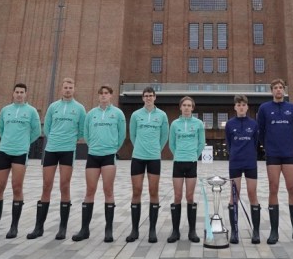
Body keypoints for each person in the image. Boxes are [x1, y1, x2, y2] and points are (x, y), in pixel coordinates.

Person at [27, 77, 84, 240]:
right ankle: (39, 227)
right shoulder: (53, 107)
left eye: (70, 87)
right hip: (51, 149)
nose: (67, 90)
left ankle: (62, 228)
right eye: (65, 87)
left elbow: (82, 130)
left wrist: (71, 139)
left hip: (68, 150)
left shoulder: (79, 108)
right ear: (61, 89)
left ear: (74, 90)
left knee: (64, 186)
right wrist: (54, 139)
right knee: (46, 186)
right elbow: (48, 127)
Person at [0, 83, 41, 239]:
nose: (19, 94)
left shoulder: (31, 111)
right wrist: (8, 140)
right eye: (17, 92)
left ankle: (14, 227)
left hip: (20, 152)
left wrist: (24, 141)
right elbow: (1, 129)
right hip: (4, 151)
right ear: (13, 93)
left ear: (26, 94)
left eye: (22, 92)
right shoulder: (5, 110)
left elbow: (37, 131)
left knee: (17, 187)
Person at [256, 78, 293, 245]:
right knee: (273, 189)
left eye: (281, 88)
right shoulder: (264, 108)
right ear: (271, 91)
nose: (278, 90)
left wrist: (289, 145)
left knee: (292, 189)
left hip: (288, 155)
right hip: (272, 155)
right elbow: (261, 131)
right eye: (275, 88)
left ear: (284, 91)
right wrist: (268, 146)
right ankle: (273, 231)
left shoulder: (292, 108)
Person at [72, 85, 125, 242]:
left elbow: (122, 134)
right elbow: (86, 133)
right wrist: (93, 145)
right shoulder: (91, 114)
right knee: (90, 191)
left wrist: (114, 148)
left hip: (109, 155)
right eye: (101, 93)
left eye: (106, 93)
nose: (103, 96)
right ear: (98, 96)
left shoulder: (118, 114)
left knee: (108, 191)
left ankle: (108, 230)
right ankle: (84, 229)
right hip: (93, 155)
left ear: (111, 96)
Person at [126, 86, 169, 243]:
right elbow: (132, 135)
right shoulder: (136, 115)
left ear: (155, 97)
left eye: (151, 95)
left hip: (154, 158)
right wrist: (140, 147)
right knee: (136, 191)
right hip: (138, 157)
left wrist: (156, 149)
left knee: (153, 191)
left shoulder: (162, 115)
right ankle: (134, 230)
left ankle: (152, 230)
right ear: (142, 98)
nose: (149, 98)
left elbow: (164, 136)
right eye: (146, 95)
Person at [167, 96, 206, 243]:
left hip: (191, 163)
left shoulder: (198, 124)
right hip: (178, 162)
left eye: (189, 105)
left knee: (190, 197)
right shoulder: (175, 124)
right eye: (184, 105)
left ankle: (192, 231)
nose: (187, 108)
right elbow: (171, 144)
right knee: (177, 196)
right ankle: (175, 231)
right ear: (180, 107)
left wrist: (193, 156)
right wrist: (178, 154)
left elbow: (201, 143)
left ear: (193, 108)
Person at [224, 95, 260, 244]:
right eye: (238, 105)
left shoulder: (254, 124)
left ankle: (256, 232)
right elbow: (229, 143)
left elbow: (256, 142)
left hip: (250, 162)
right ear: (235, 107)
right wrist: (235, 155)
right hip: (235, 163)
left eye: (243, 105)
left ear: (247, 107)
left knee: (252, 194)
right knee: (234, 196)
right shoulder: (229, 124)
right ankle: (234, 231)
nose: (241, 107)